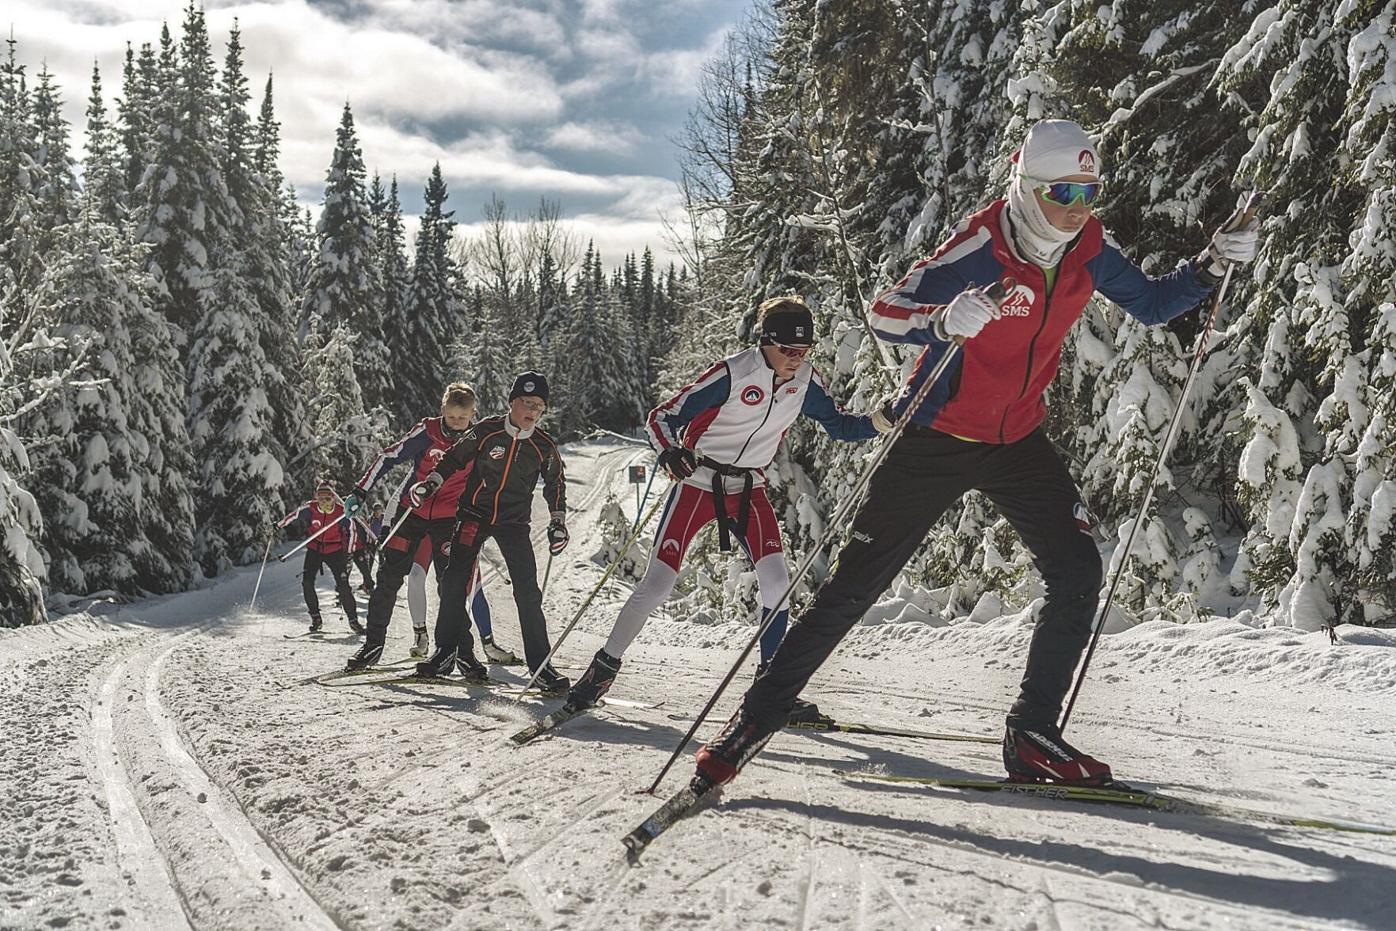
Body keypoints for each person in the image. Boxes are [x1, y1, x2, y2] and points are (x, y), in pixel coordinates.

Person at [692, 119, 1260, 789]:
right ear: (1026, 188)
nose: (1077, 208)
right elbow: (885, 311)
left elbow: (1156, 303)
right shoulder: (981, 245)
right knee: (853, 588)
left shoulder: (1089, 246)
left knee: (1078, 571)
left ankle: (1032, 734)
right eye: (1063, 192)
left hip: (1016, 439)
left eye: (1089, 192)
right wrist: (942, 317)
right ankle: (753, 719)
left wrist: (1210, 265)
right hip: (934, 436)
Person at [564, 296, 880, 721]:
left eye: (804, 351)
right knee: (657, 584)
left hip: (749, 488)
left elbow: (841, 425)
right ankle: (601, 671)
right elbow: (663, 416)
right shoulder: (734, 372)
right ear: (766, 342)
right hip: (698, 484)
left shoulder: (804, 381)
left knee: (776, 582)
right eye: (788, 350)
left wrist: (886, 418)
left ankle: (771, 688)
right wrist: (670, 452)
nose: (796, 359)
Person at [410, 372, 570, 692]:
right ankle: (445, 652)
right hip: (474, 515)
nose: (533, 411)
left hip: (513, 524)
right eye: (527, 403)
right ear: (512, 402)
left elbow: (556, 483)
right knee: (454, 580)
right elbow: (455, 458)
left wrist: (557, 521)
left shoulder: (542, 445)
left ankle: (540, 666)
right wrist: (433, 483)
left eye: (539, 406)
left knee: (527, 592)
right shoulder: (486, 431)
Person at [343, 384, 511, 669]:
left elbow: (494, 479)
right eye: (452, 416)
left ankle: (463, 654)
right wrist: (361, 491)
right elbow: (389, 457)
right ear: (442, 411)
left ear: (473, 414)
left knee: (451, 586)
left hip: (449, 519)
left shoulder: (477, 441)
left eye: (463, 417)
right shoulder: (427, 432)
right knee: (388, 578)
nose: (456, 424)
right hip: (412, 513)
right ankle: (372, 646)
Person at [276, 479, 363, 634]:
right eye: (320, 498)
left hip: (335, 551)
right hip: (314, 549)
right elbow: (294, 515)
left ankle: (353, 621)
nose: (323, 502)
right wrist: (278, 525)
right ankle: (316, 618)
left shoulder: (341, 511)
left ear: (333, 497)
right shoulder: (311, 508)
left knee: (343, 586)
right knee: (307, 583)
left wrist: (350, 551)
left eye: (327, 498)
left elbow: (353, 530)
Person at [403, 535, 500, 660]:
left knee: (470, 584)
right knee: (415, 575)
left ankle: (488, 643)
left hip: (453, 527)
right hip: (424, 526)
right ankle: (420, 635)